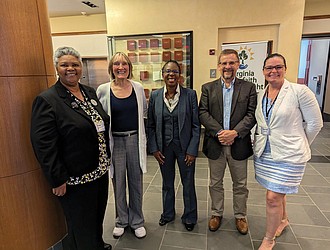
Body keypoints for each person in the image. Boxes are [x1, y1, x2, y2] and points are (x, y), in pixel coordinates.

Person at [30, 46, 112, 250]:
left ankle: (97, 245)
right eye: (64, 65)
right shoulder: (48, 100)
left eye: (75, 64)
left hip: (99, 171)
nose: (70, 69)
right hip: (75, 178)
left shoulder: (89, 92)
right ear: (56, 68)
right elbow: (44, 145)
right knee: (80, 224)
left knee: (96, 218)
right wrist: (57, 179)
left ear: (81, 67)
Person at [254, 53, 323, 249]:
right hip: (266, 152)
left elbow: (315, 123)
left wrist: (300, 143)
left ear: (285, 68)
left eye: (278, 67)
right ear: (263, 71)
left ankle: (269, 239)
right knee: (278, 192)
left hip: (290, 154)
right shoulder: (262, 93)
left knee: (272, 197)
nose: (273, 71)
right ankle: (283, 220)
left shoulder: (299, 91)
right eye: (269, 67)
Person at [199, 49, 257, 235]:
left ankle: (240, 216)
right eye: (224, 63)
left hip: (238, 144)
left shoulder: (248, 88)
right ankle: (216, 213)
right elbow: (203, 113)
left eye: (231, 63)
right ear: (219, 66)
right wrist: (220, 133)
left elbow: (251, 114)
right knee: (215, 182)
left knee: (240, 184)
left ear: (238, 65)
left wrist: (235, 133)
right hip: (215, 144)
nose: (227, 67)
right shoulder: (208, 88)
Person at [97, 52, 147, 239]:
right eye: (117, 64)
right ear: (111, 68)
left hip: (134, 139)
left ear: (129, 68)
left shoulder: (138, 88)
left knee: (136, 181)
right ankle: (121, 220)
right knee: (118, 182)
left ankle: (137, 221)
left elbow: (143, 112)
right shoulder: (103, 90)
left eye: (124, 63)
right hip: (115, 141)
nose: (121, 67)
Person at [147, 60, 200, 231]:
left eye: (175, 71)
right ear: (162, 75)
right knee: (167, 182)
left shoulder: (190, 94)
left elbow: (196, 126)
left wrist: (192, 150)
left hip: (185, 148)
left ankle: (190, 216)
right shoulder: (155, 96)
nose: (171, 74)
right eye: (168, 71)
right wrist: (154, 148)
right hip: (164, 148)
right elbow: (151, 125)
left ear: (180, 75)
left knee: (188, 182)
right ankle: (168, 214)